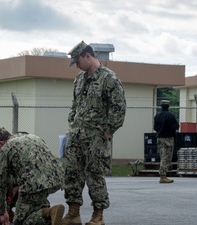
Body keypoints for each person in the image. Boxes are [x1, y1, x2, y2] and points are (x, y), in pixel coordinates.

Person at [63, 41, 126, 225]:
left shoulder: (109, 79)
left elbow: (119, 108)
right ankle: (73, 213)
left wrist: (109, 130)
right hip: (76, 136)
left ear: (88, 56)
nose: (77, 65)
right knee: (72, 173)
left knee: (94, 176)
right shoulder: (80, 78)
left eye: (78, 61)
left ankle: (98, 216)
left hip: (96, 138)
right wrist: (72, 123)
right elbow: (75, 104)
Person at [0, 128, 65, 225]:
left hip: (34, 184)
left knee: (21, 221)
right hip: (56, 178)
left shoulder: (6, 148)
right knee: (34, 205)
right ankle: (48, 214)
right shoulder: (33, 137)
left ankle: (49, 213)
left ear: (0, 143)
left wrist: (1, 212)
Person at [154, 100, 179, 183]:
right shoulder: (170, 115)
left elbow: (155, 127)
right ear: (168, 106)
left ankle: (163, 174)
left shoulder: (157, 115)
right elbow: (175, 126)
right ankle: (163, 176)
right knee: (166, 157)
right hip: (168, 138)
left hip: (159, 138)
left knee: (162, 156)